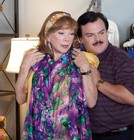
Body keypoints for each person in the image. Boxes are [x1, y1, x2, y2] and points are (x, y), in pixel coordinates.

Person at [15, 11, 98, 139]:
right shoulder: (35, 61)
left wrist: (85, 68)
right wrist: (24, 67)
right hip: (39, 133)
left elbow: (91, 102)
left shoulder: (82, 60)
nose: (67, 38)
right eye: (61, 33)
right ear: (47, 35)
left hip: (70, 134)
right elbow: (20, 99)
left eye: (71, 33)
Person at [77, 11, 134, 140]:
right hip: (88, 134)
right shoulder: (77, 59)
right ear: (80, 39)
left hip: (120, 135)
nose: (98, 39)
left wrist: (98, 82)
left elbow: (132, 97)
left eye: (101, 33)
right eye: (90, 35)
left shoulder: (121, 59)